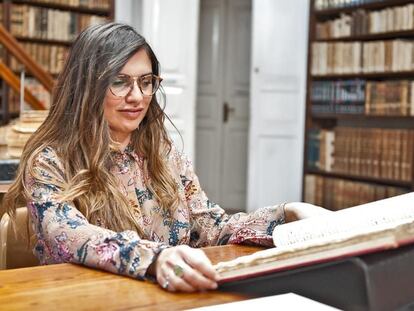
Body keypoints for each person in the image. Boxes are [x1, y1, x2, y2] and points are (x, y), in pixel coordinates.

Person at [3, 22, 329, 292]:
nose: (138, 97)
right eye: (119, 82)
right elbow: (72, 238)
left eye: (146, 82)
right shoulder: (49, 163)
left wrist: (287, 215)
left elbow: (211, 228)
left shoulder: (165, 155)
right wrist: (157, 259)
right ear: (86, 86)